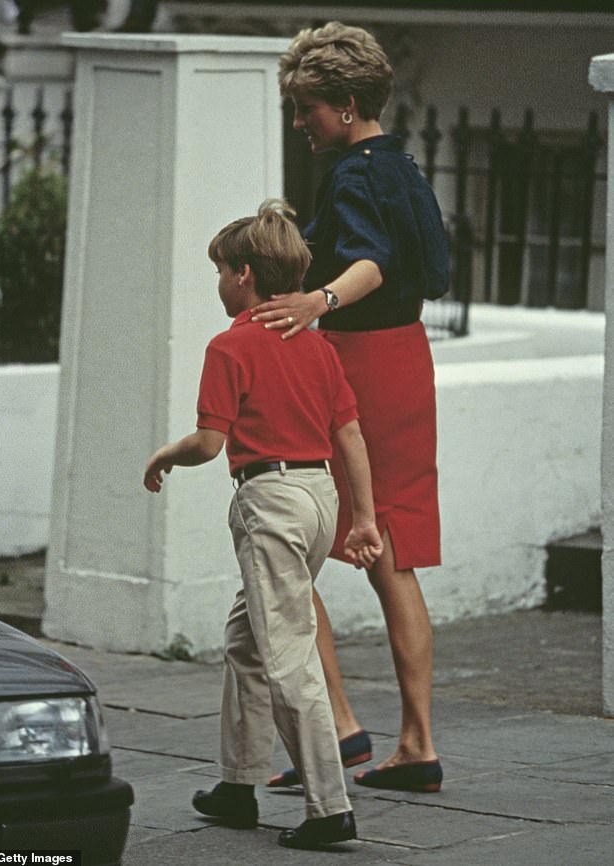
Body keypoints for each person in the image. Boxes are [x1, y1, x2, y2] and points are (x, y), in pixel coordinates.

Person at [143, 199, 383, 849]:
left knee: (286, 653)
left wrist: (169, 452)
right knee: (250, 639)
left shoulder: (230, 346)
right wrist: (362, 517)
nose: (218, 282)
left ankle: (328, 807)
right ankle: (238, 784)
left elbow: (211, 443)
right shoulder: (315, 344)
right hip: (319, 496)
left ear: (244, 274)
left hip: (270, 499)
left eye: (221, 270)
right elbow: (349, 432)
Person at [252, 21, 449, 794]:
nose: (301, 123)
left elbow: (372, 259)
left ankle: (336, 731)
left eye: (307, 109)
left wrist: (315, 300)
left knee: (290, 543)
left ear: (343, 104)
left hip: (354, 369)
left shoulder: (351, 174)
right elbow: (424, 267)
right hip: (408, 360)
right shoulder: (403, 165)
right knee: (392, 556)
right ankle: (418, 743)